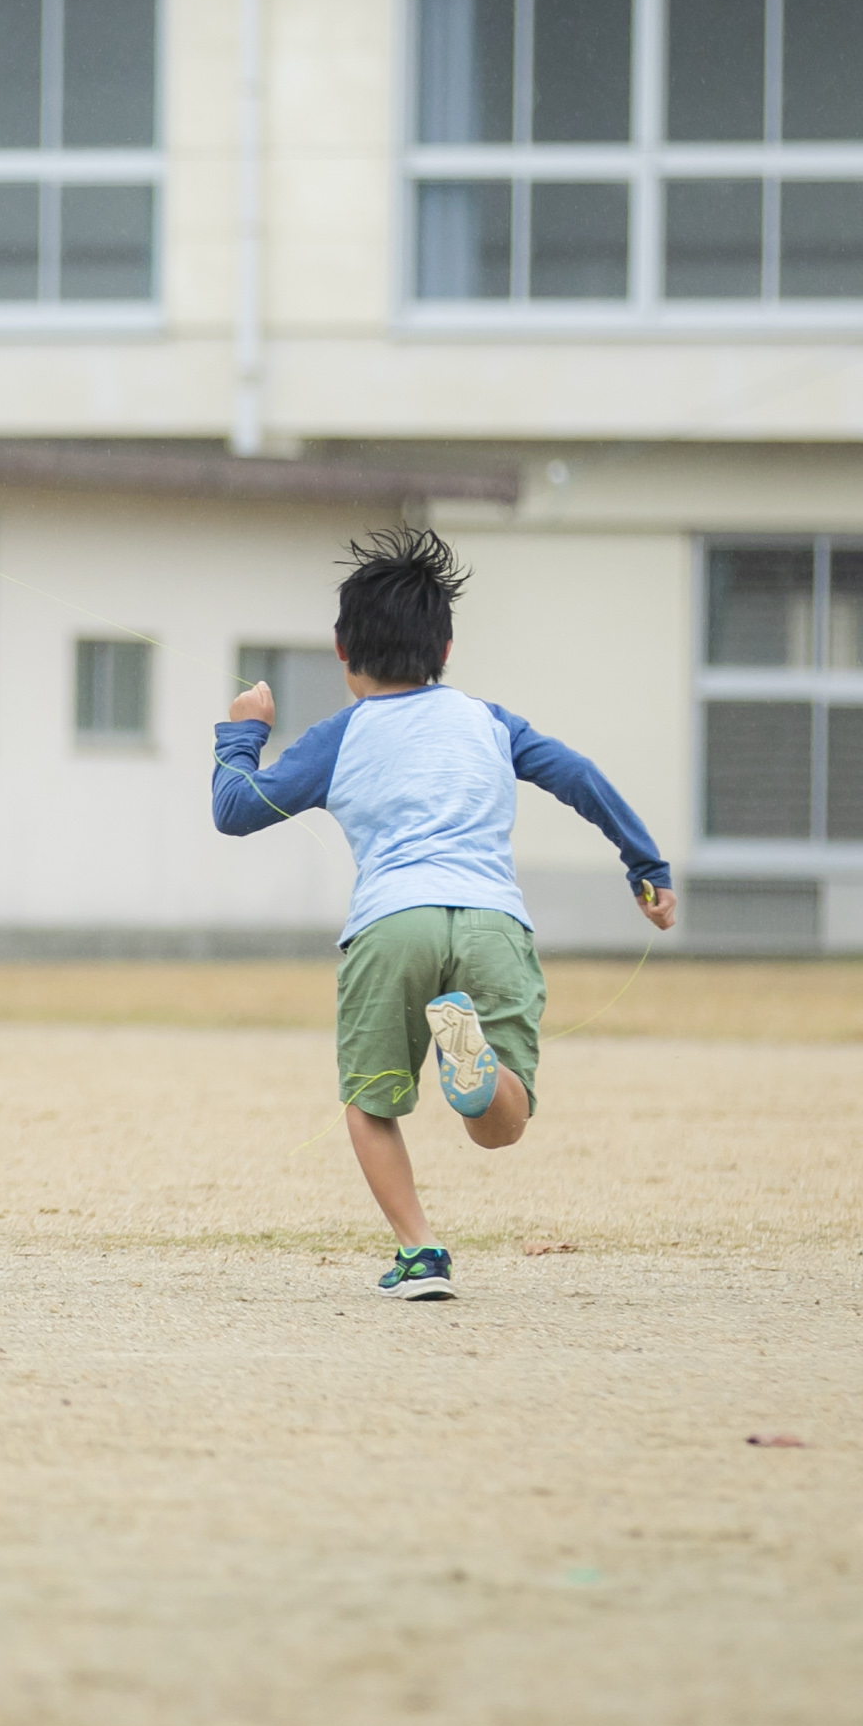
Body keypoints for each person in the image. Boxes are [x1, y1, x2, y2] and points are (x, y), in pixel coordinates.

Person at [210, 528, 674, 1301]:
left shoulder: (338, 736)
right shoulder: (489, 721)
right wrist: (645, 866)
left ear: (341, 650)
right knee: (501, 1124)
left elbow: (235, 808)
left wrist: (242, 730)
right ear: (446, 648)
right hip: (492, 921)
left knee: (370, 1100)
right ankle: (478, 1073)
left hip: (392, 922)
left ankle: (419, 1251)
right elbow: (580, 777)